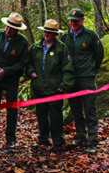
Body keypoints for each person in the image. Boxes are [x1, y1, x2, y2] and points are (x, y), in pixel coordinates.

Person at [26, 19, 75, 152]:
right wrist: (31, 72)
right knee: (41, 115)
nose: (47, 34)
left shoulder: (61, 48)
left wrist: (64, 85)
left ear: (55, 34)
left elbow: (68, 68)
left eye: (50, 32)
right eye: (46, 31)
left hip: (55, 89)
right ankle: (43, 139)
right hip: (39, 88)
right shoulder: (36, 47)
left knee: (56, 117)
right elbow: (28, 64)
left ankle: (58, 141)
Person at [61, 8, 104, 153]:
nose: (73, 23)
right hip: (72, 79)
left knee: (90, 109)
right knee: (76, 110)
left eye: (76, 20)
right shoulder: (66, 37)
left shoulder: (90, 35)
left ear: (82, 20)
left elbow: (99, 54)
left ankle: (93, 141)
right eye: (71, 21)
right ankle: (81, 137)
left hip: (86, 78)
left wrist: (91, 69)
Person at [0, 12, 30, 150]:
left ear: (17, 29)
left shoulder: (22, 42)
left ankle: (11, 139)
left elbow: (23, 63)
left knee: (12, 110)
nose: (9, 30)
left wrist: (6, 71)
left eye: (13, 28)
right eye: (8, 27)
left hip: (11, 79)